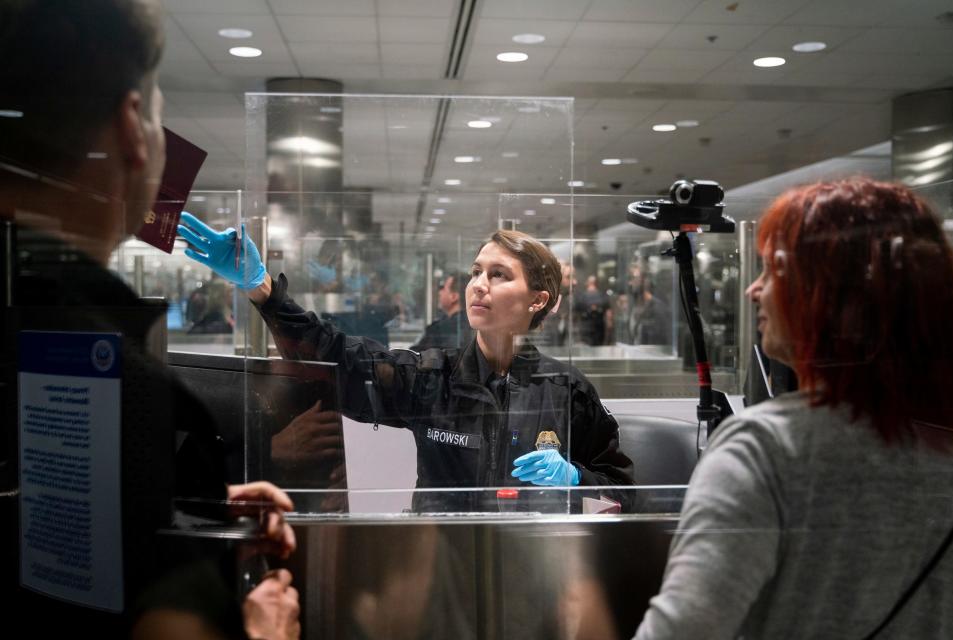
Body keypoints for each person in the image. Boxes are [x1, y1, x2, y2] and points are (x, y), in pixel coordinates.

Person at [0, 1, 298, 637]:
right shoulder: (129, 396)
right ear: (132, 129)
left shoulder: (30, 334)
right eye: (162, 115)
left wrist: (180, 516)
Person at [634, 177, 953, 639]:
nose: (754, 290)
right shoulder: (946, 440)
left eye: (774, 272)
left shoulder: (766, 449)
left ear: (837, 297)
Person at [178, 221, 634, 512]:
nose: (478, 285)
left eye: (499, 274)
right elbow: (337, 357)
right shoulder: (433, 378)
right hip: (439, 561)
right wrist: (261, 289)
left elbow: (624, 488)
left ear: (538, 300)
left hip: (537, 566)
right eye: (476, 271)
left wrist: (576, 478)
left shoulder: (565, 388)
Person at [409, 272, 472, 351]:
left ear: (454, 297)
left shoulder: (439, 331)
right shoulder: (474, 326)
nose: (440, 292)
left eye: (443, 288)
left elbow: (414, 357)